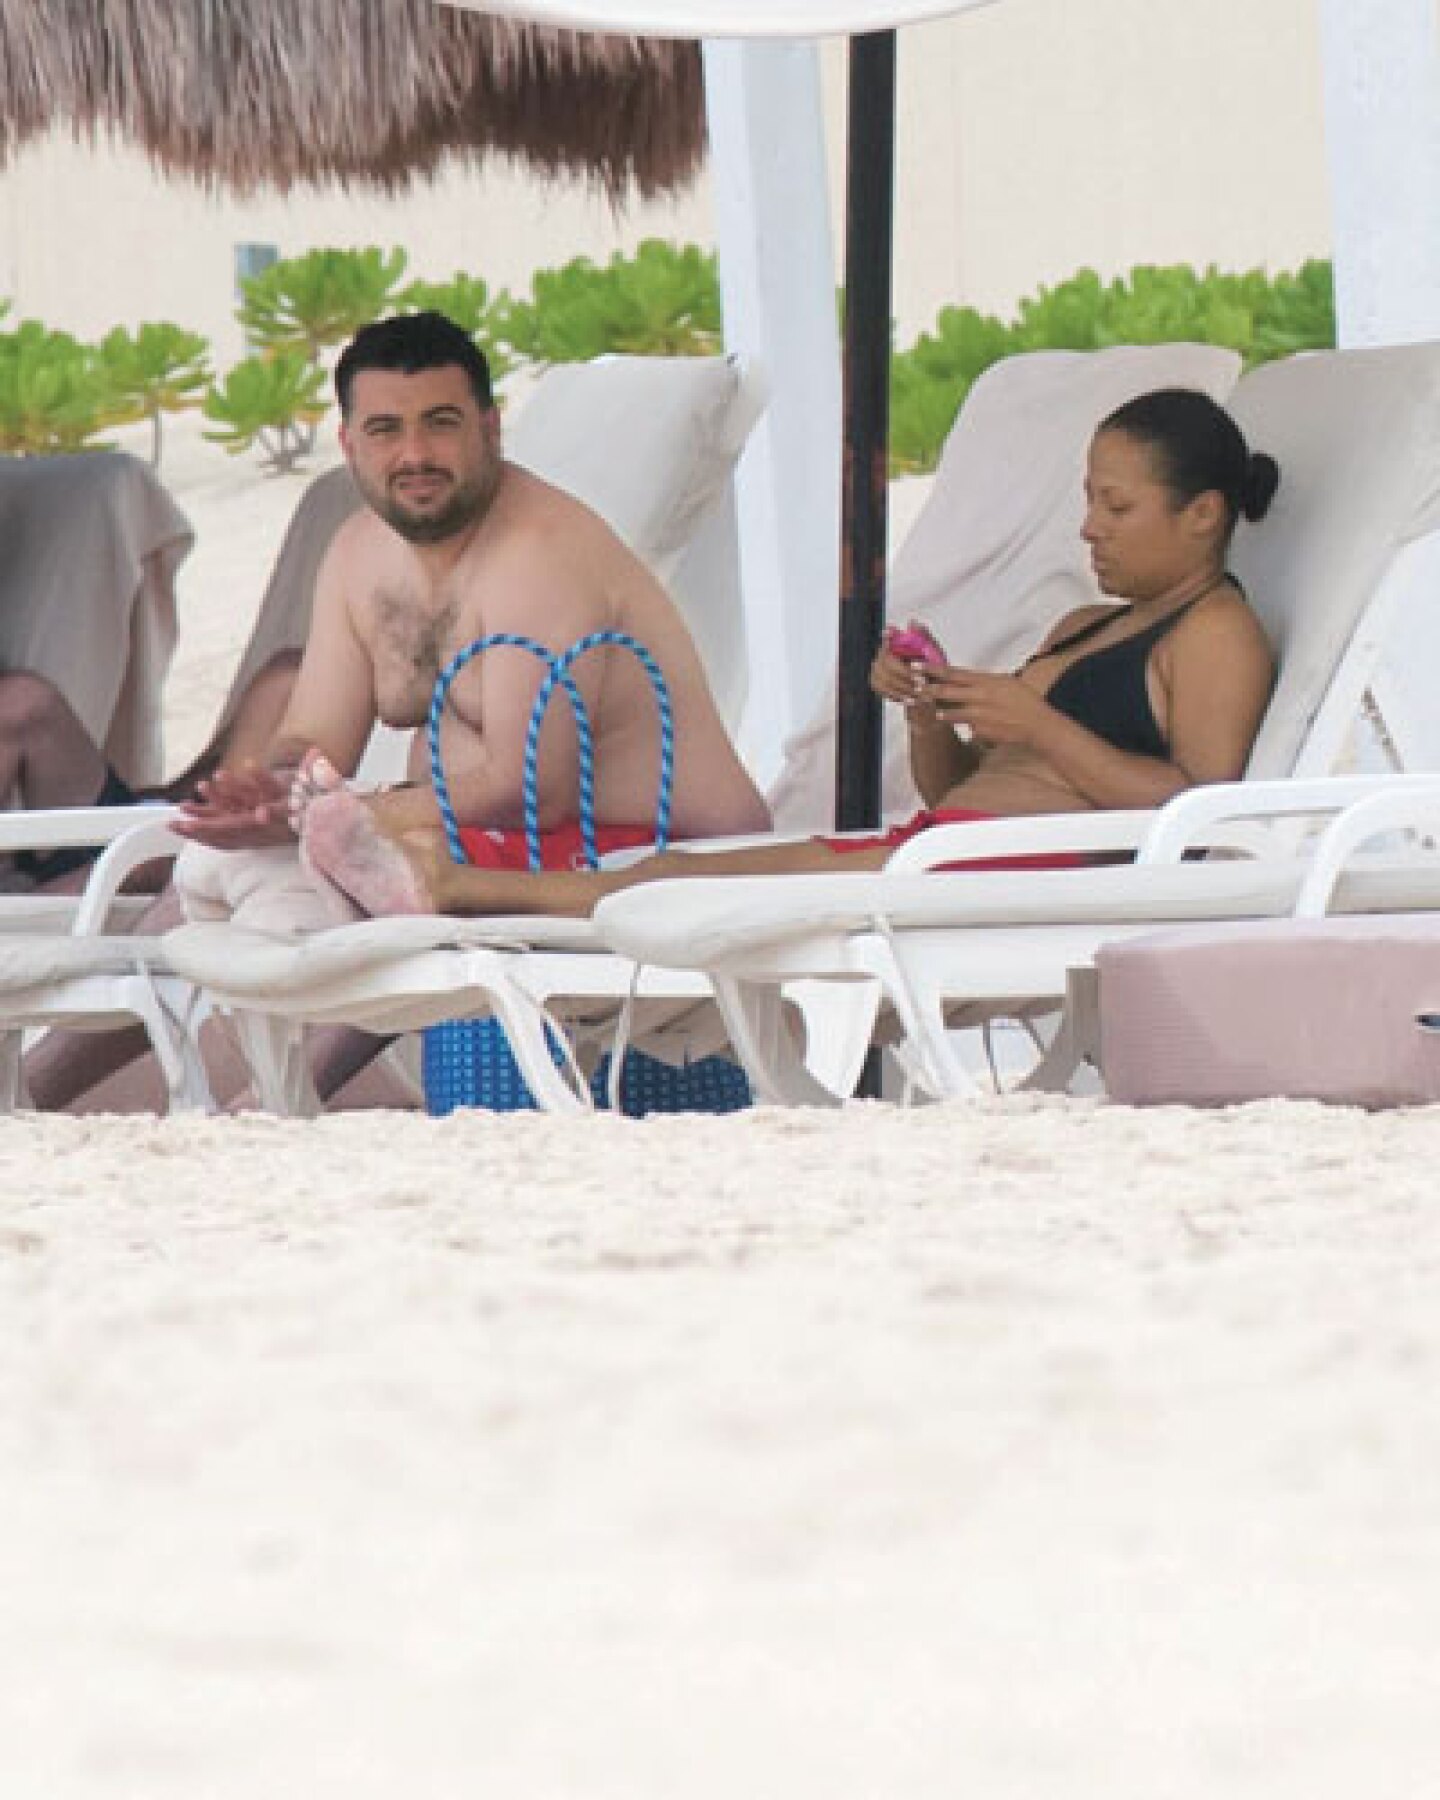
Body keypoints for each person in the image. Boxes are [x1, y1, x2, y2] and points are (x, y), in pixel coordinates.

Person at [293, 386, 1280, 921]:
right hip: (948, 847)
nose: (1089, 531)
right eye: (1088, 502)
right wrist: (931, 713)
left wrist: (1039, 722)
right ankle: (437, 876)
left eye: (1116, 507)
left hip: (1028, 877)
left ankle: (452, 887)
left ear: (1202, 516)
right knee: (686, 870)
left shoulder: (1215, 634)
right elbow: (963, 783)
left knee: (691, 887)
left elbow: (1193, 805)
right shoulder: (1083, 627)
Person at [174, 309, 770, 864]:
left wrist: (335, 813)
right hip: (504, 866)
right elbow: (314, 740)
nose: (415, 455)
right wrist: (270, 795)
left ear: (489, 429)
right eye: (385, 430)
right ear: (349, 444)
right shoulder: (357, 555)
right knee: (222, 874)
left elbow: (531, 792)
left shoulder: (537, 557)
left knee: (297, 882)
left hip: (660, 868)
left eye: (441, 424)